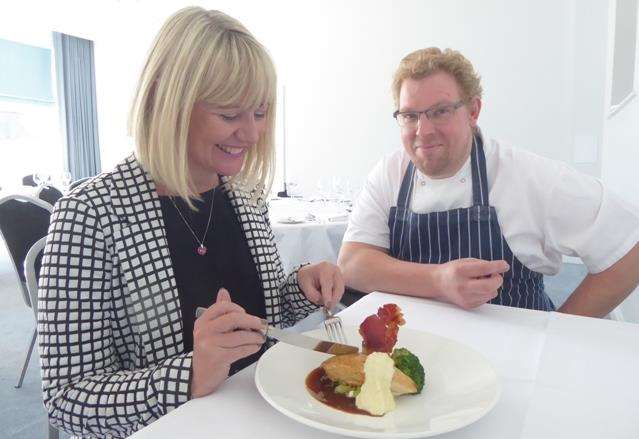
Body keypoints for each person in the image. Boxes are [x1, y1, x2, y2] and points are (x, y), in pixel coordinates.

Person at [37, 7, 344, 437]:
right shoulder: (91, 215)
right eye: (229, 114)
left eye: (259, 113)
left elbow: (263, 313)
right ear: (169, 101)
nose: (252, 134)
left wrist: (302, 286)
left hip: (267, 417)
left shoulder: (244, 194)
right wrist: (189, 375)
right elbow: (67, 400)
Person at [338, 47, 639, 316]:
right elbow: (352, 264)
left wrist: (560, 332)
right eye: (410, 115)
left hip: (514, 357)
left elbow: (630, 246)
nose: (423, 130)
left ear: (473, 111)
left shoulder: (524, 175)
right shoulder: (390, 172)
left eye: (440, 112)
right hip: (417, 350)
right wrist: (439, 281)